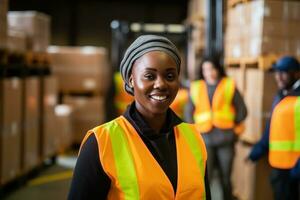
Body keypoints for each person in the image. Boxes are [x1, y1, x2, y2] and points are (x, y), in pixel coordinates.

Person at [68, 35, 211, 200]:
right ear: (131, 80)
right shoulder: (101, 143)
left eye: (170, 76)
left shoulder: (194, 138)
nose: (161, 84)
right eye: (149, 76)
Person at [186, 56, 247, 200]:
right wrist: (194, 132)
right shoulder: (196, 87)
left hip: (225, 139)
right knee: (205, 178)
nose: (209, 72)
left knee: (226, 177)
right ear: (202, 71)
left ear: (218, 69)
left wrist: (232, 126)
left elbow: (242, 110)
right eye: (205, 69)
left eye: (212, 68)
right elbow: (189, 112)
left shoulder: (228, 85)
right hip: (204, 140)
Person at [248, 56, 300, 200]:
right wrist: (259, 149)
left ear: (297, 74)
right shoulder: (281, 95)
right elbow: (272, 127)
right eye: (277, 73)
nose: (278, 77)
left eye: (283, 73)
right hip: (279, 165)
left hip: (295, 167)